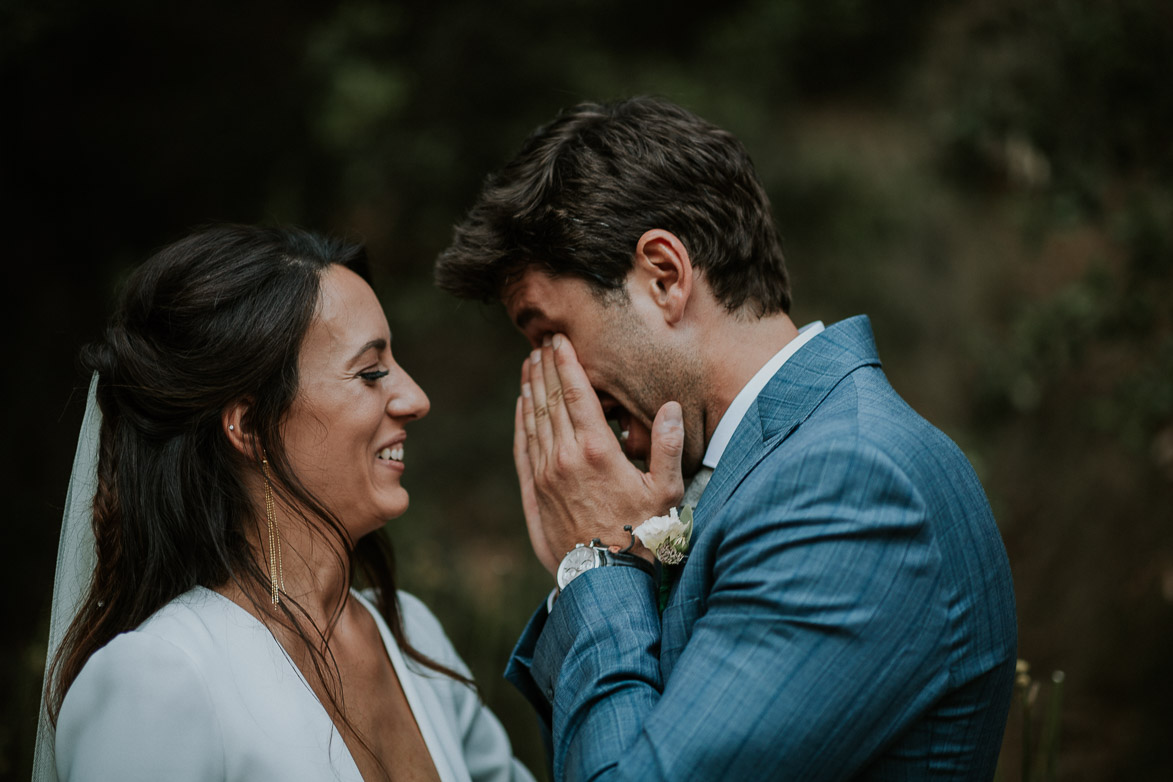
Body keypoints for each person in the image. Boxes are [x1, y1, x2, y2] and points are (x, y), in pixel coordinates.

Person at [435, 96, 1018, 780]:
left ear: (663, 276)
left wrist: (596, 565)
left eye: (547, 335)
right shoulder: (769, 468)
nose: (548, 384)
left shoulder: (848, 481)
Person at [36, 225, 536, 782]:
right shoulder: (159, 679)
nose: (416, 399)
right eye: (371, 373)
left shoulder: (411, 637)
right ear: (251, 426)